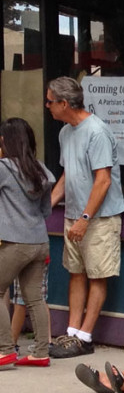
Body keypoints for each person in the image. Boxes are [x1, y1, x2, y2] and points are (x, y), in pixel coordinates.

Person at [46, 76, 124, 359]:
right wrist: (48, 205)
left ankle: (85, 336)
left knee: (97, 275)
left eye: (50, 101)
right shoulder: (65, 132)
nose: (48, 106)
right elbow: (68, 175)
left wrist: (85, 217)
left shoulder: (97, 132)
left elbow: (102, 180)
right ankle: (72, 332)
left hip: (99, 218)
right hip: (73, 215)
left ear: (65, 103)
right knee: (76, 273)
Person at [0, 118, 55, 367]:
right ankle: (41, 352)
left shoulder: (3, 168)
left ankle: (5, 350)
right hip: (39, 241)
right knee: (34, 297)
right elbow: (45, 211)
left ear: (5, 141)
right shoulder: (41, 170)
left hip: (13, 242)